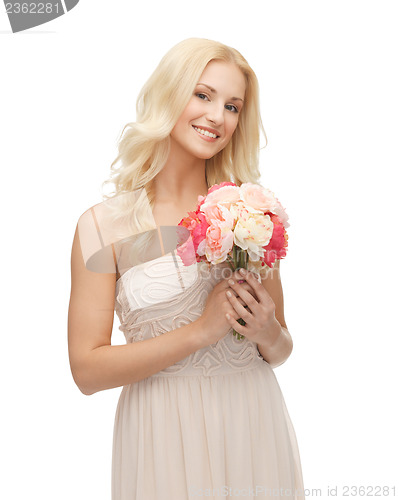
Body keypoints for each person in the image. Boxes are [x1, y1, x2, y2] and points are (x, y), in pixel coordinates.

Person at [68, 37, 306, 500]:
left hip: (251, 423)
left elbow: (280, 349)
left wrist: (265, 330)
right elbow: (86, 370)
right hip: (161, 435)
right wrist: (200, 331)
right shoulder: (101, 226)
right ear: (169, 95)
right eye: (203, 95)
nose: (218, 116)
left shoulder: (251, 212)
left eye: (233, 106)